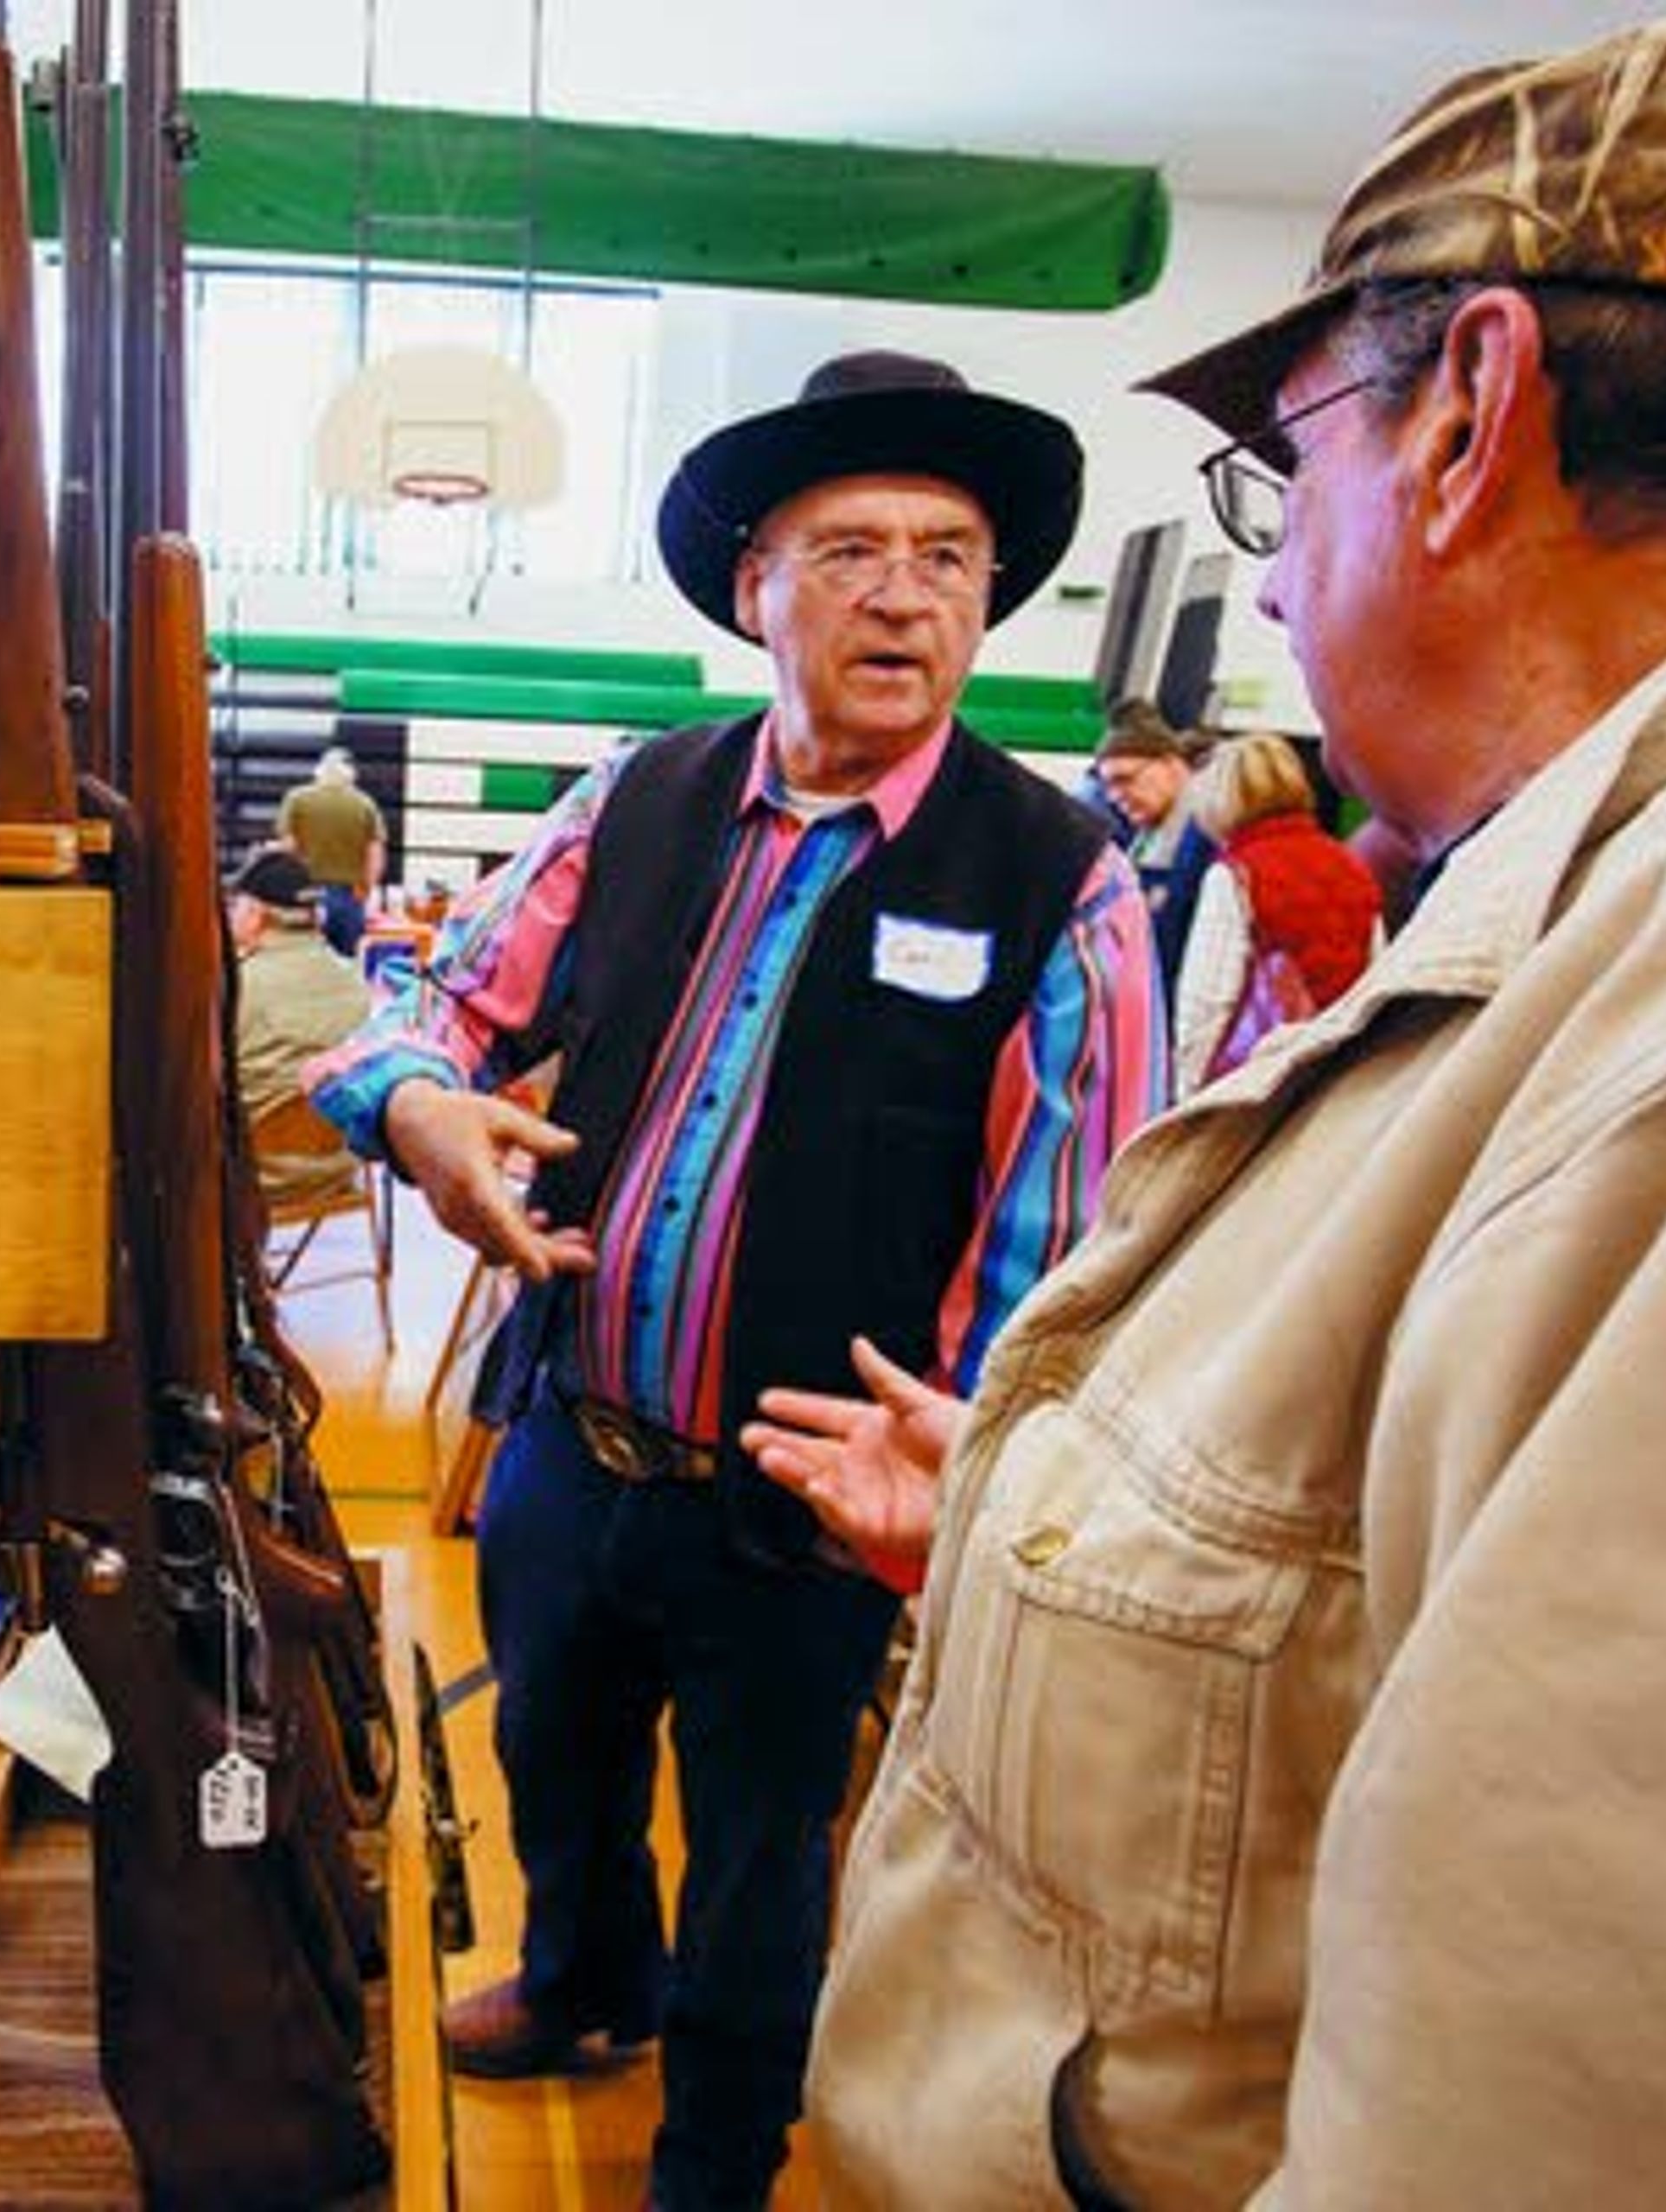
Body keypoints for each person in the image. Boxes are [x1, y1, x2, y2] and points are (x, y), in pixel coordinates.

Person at [747, 22, 1666, 2207]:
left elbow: (1658, 2117)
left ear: (1467, 410)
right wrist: (1024, 1527)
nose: (1275, 583)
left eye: (1287, 481)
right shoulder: (1628, 903)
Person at [310, 350, 1164, 2211]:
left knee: (767, 1860)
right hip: (569, 1433)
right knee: (551, 1745)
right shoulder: (635, 796)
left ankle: (710, 2163)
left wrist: (965, 1493)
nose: (905, 590)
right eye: (847, 548)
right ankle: (582, 1975)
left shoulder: (1058, 877)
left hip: (808, 1498)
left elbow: (1075, 1257)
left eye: (949, 555)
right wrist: (423, 1107)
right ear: (753, 588)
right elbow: (428, 1006)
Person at [1169, 728, 1381, 1090]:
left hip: (1256, 1076)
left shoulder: (1236, 874)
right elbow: (1376, 968)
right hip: (1335, 1071)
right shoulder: (1351, 864)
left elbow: (1208, 998)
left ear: (1220, 801)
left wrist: (1187, 1086)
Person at [225, 844, 370, 1204]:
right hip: (337, 1168)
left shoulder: (239, 985)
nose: (229, 915)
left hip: (259, 1179)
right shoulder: (354, 978)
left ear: (257, 915)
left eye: (235, 905)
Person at [1092, 696, 1216, 994]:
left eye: (1125, 779)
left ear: (1172, 766)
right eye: (1106, 785)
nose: (1114, 796)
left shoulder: (1208, 836)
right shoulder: (1144, 839)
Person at [276, 745, 385, 956]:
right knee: (347, 965)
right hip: (348, 897)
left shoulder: (296, 799)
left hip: (304, 896)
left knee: (304, 962)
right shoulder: (365, 804)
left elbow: (288, 849)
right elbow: (376, 856)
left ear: (319, 770)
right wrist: (367, 890)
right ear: (351, 773)